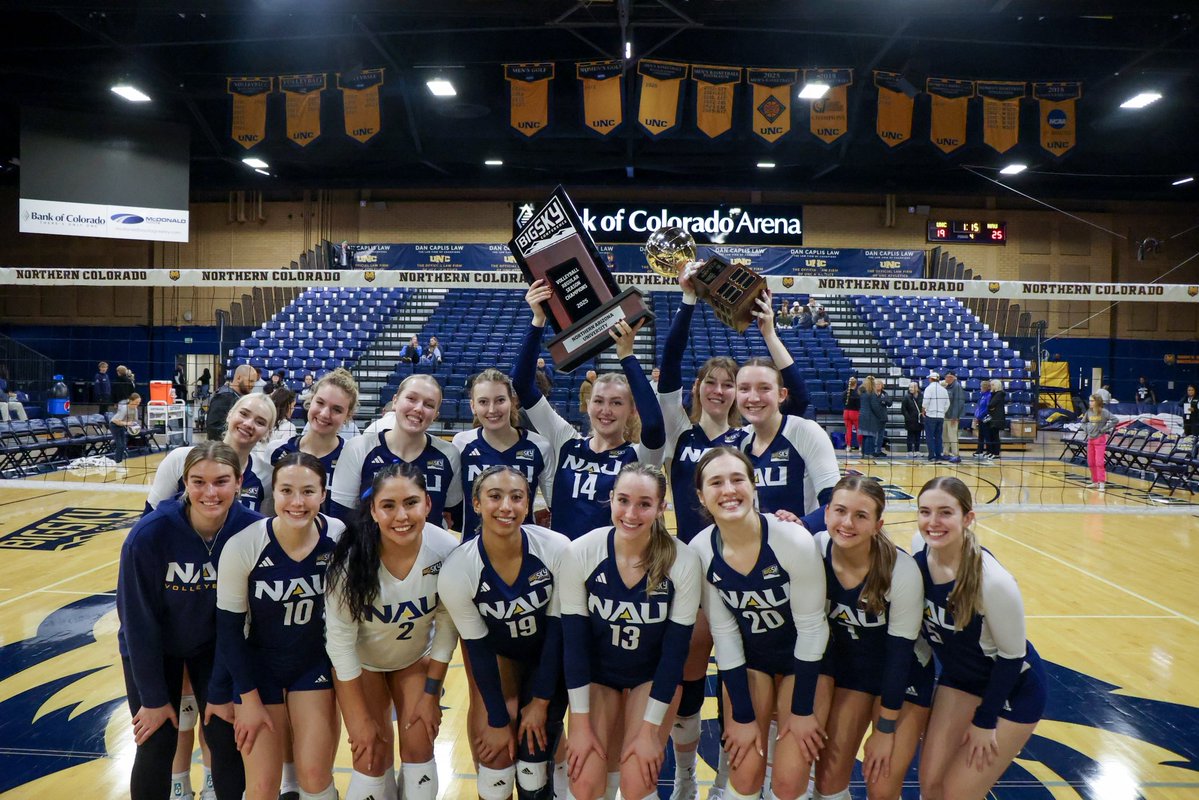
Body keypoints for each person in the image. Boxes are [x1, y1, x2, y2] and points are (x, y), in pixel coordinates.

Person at [653, 269, 809, 798]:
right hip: (695, 566)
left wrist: (769, 333)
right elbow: (670, 365)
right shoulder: (680, 431)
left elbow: (798, 401)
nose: (720, 391)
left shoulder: (746, 437)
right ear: (699, 389)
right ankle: (686, 777)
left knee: (744, 672)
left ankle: (732, 777)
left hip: (749, 569)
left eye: (729, 384)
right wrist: (687, 302)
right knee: (692, 673)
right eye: (712, 383)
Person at [117, 442, 260, 800]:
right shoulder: (149, 535)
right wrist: (152, 699)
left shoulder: (254, 531)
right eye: (198, 482)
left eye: (221, 481)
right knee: (156, 737)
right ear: (185, 482)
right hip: (155, 647)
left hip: (217, 648)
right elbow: (137, 623)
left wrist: (225, 691)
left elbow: (246, 620)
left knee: (224, 735)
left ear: (239, 481)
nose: (210, 493)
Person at [688, 448, 829, 800]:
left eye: (737, 479)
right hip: (753, 663)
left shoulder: (792, 540)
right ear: (702, 496)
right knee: (746, 773)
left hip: (803, 663)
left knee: (788, 782)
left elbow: (812, 630)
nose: (728, 490)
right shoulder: (701, 550)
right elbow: (725, 635)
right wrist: (743, 716)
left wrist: (802, 711)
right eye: (716, 482)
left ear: (754, 485)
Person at [559, 463, 701, 800]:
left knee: (638, 780)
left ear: (661, 508)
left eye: (644, 504)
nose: (631, 514)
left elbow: (674, 655)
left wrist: (650, 732)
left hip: (652, 678)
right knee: (584, 781)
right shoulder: (581, 552)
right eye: (623, 500)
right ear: (610, 499)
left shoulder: (682, 561)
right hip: (598, 677)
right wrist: (579, 725)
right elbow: (575, 646)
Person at [324, 463, 459, 800]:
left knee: (421, 742)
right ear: (373, 510)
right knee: (371, 754)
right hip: (362, 665)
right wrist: (358, 721)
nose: (402, 516)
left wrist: (431, 695)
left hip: (413, 659)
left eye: (411, 503)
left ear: (428, 504)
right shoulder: (349, 562)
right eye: (388, 506)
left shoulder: (445, 550)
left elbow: (446, 626)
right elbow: (340, 645)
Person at [439, 466, 572, 800]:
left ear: (528, 504)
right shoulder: (458, 570)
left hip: (548, 657)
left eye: (516, 497)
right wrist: (498, 721)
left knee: (533, 756)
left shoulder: (556, 548)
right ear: (476, 503)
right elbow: (478, 649)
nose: (506, 507)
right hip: (500, 657)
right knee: (496, 758)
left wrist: (540, 702)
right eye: (495, 497)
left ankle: (553, 781)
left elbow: (558, 633)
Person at [215, 453, 343, 800]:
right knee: (262, 787)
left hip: (312, 666)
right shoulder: (244, 545)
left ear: (323, 494)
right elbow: (228, 631)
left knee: (315, 775)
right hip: (258, 671)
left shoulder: (338, 536)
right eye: (287, 491)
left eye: (308, 491)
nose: (297, 502)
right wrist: (247, 699)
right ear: (274, 493)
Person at [911, 477, 1046, 800]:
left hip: (1012, 690)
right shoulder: (920, 551)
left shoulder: (994, 582)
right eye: (925, 512)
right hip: (960, 680)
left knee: (956, 793)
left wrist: (985, 722)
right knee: (930, 787)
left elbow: (1012, 657)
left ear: (968, 518)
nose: (933, 522)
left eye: (945, 512)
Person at [512, 279, 665, 540]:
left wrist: (626, 355)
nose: (606, 410)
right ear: (588, 405)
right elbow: (523, 386)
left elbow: (653, 426)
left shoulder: (639, 456)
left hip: (614, 560)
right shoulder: (566, 441)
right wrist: (538, 320)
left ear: (632, 410)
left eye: (616, 402)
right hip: (563, 559)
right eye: (599, 401)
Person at [814, 475, 931, 800]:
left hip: (904, 677)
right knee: (827, 781)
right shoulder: (813, 550)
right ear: (826, 513)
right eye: (840, 511)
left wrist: (885, 729)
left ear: (878, 525)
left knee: (881, 784)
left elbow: (899, 658)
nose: (847, 523)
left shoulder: (900, 571)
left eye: (861, 516)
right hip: (852, 673)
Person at [737, 293, 838, 530]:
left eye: (764, 388)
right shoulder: (739, 441)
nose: (753, 397)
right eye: (744, 389)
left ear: (782, 395)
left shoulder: (805, 432)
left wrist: (803, 523)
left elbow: (835, 503)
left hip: (802, 545)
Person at [330, 373, 462, 525]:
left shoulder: (449, 455)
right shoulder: (359, 448)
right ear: (395, 401)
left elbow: (451, 514)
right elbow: (341, 517)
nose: (418, 408)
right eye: (411, 398)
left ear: (435, 415)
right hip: (368, 541)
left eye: (429, 405)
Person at [452, 369, 553, 539]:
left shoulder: (540, 446)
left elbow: (554, 504)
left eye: (500, 400)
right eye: (483, 402)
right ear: (473, 406)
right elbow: (452, 503)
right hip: (472, 546)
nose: (492, 409)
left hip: (523, 546)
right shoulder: (461, 444)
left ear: (512, 402)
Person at [148, 392, 277, 514]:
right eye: (243, 414)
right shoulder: (180, 459)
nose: (248, 424)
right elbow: (151, 515)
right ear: (230, 415)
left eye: (260, 422)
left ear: (267, 433)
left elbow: (263, 526)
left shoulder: (267, 476)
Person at [268, 368, 359, 514]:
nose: (324, 414)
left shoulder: (353, 458)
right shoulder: (278, 450)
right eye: (320, 402)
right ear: (310, 401)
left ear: (348, 416)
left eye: (337, 409)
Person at [208, 365, 257, 441]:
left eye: (254, 382)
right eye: (250, 381)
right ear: (239, 378)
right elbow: (214, 428)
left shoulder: (233, 395)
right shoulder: (225, 396)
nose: (253, 385)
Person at [1083, 393, 1116, 491]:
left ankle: (1102, 483)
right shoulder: (1089, 412)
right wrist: (1086, 429)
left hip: (1100, 439)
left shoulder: (1104, 412)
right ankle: (1095, 482)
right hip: (1090, 439)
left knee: (1099, 462)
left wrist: (1104, 429)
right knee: (1091, 462)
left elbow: (1115, 420)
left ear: (1097, 402)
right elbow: (1083, 422)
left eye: (1092, 401)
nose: (1090, 402)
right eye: (1090, 400)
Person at [922, 371, 949, 462]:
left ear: (931, 379)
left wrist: (923, 410)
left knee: (930, 436)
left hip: (931, 415)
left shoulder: (929, 388)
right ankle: (938, 455)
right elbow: (947, 404)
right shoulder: (944, 390)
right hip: (940, 416)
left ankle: (931, 455)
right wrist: (942, 412)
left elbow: (926, 401)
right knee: (938, 437)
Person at [858, 376, 887, 459]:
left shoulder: (862, 393)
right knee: (870, 436)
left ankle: (864, 453)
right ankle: (869, 453)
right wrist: (880, 416)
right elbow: (875, 406)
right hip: (870, 417)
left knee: (864, 436)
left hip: (862, 416)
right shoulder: (872, 394)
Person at [110, 392, 143, 463]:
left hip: (122, 425)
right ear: (131, 401)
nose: (138, 404)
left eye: (139, 402)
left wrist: (134, 426)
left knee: (123, 445)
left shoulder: (135, 409)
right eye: (136, 402)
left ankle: (119, 460)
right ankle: (117, 462)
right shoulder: (124, 408)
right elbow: (116, 421)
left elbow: (134, 421)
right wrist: (127, 423)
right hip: (114, 425)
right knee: (120, 445)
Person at [943, 371, 964, 464]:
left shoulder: (957, 386)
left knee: (952, 436)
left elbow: (958, 403)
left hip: (952, 416)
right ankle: (946, 453)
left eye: (947, 377)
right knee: (945, 436)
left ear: (952, 378)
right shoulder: (947, 386)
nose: (945, 379)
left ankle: (956, 455)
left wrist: (955, 416)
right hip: (946, 415)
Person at [983, 379, 1007, 461]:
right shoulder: (994, 394)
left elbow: (991, 404)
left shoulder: (999, 394)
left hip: (997, 418)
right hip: (993, 417)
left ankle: (996, 453)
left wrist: (991, 407)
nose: (990, 387)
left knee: (995, 436)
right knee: (992, 436)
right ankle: (992, 452)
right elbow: (990, 406)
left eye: (992, 385)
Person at [901, 381, 923, 457]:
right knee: (910, 436)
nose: (910, 389)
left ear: (917, 388)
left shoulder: (921, 396)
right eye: (909, 387)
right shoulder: (906, 397)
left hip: (919, 419)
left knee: (918, 436)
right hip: (910, 420)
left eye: (912, 387)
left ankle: (917, 450)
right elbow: (903, 409)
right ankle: (909, 451)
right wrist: (908, 418)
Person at [972, 383, 992, 460]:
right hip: (980, 418)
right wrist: (977, 416)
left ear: (985, 387)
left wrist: (981, 416)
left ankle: (989, 451)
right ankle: (979, 451)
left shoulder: (989, 396)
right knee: (981, 435)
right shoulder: (982, 395)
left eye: (981, 386)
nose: (980, 388)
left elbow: (987, 408)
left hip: (986, 418)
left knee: (987, 435)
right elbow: (979, 407)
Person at [842, 376, 861, 451]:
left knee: (848, 430)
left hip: (846, 412)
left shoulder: (844, 393)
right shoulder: (857, 394)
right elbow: (859, 406)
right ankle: (860, 446)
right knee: (858, 430)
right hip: (854, 413)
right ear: (855, 384)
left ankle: (848, 446)